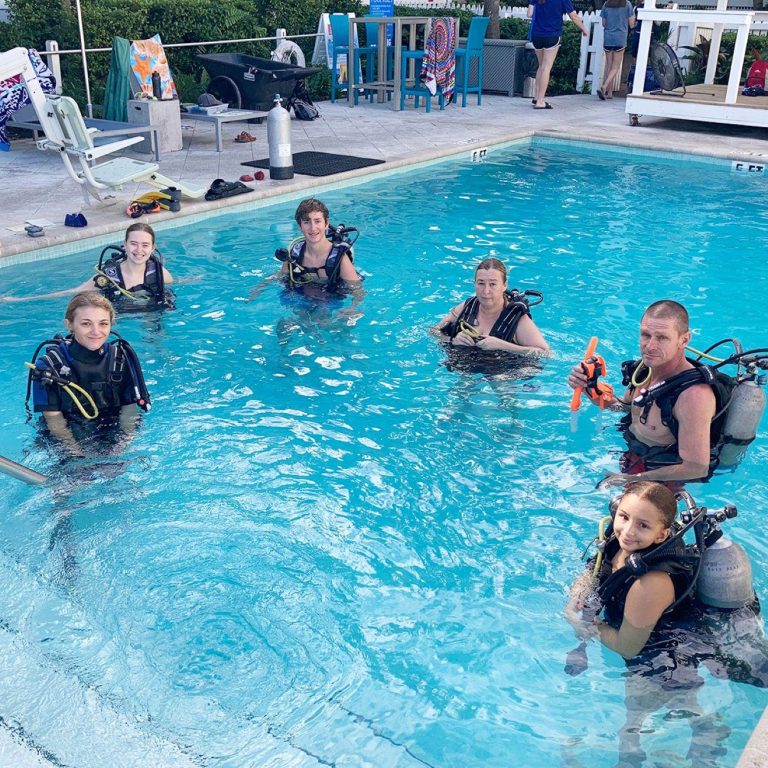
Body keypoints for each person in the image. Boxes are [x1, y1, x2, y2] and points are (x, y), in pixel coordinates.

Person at [565, 482, 767, 766]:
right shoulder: (618, 538)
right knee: (679, 700)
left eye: (643, 525)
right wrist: (577, 598)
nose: (628, 530)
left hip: (663, 650)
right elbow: (595, 568)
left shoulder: (650, 583)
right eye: (624, 517)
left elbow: (628, 646)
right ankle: (707, 727)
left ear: (662, 534)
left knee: (633, 721)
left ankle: (632, 758)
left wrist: (587, 625)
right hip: (653, 639)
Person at [567, 300, 717, 484]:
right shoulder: (644, 370)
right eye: (646, 335)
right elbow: (625, 408)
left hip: (665, 479)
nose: (650, 346)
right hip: (633, 458)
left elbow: (696, 467)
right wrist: (589, 387)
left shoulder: (693, 396)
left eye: (662, 338)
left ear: (684, 340)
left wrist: (632, 479)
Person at [27, 292, 151, 455]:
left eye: (103, 324)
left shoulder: (122, 359)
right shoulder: (48, 367)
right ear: (70, 325)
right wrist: (77, 454)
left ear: (111, 324)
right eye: (86, 324)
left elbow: (129, 411)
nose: (96, 331)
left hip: (113, 431)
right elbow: (54, 421)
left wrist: (121, 447)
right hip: (65, 436)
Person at [1, 223, 175, 311]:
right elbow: (74, 292)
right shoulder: (108, 276)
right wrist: (18, 300)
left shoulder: (158, 272)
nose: (139, 250)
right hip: (119, 320)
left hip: (150, 317)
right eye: (134, 244)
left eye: (145, 245)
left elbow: (178, 283)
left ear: (153, 248)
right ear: (125, 244)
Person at [434, 258, 550, 356]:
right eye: (481, 283)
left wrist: (503, 346)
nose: (486, 291)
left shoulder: (517, 319)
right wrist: (452, 340)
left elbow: (546, 353)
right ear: (474, 284)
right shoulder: (467, 307)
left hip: (505, 371)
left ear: (504, 285)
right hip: (465, 368)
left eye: (493, 284)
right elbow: (433, 331)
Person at [527, 0, 589, 110]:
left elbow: (529, 14)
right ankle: (540, 101)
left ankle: (536, 97)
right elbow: (573, 16)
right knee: (546, 68)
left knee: (540, 66)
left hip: (536, 35)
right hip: (552, 35)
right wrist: (584, 29)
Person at [598, 0, 635, 100]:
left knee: (609, 66)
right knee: (615, 67)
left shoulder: (606, 4)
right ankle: (605, 86)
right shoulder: (627, 4)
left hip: (608, 37)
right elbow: (631, 24)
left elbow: (604, 23)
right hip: (620, 37)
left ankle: (609, 93)